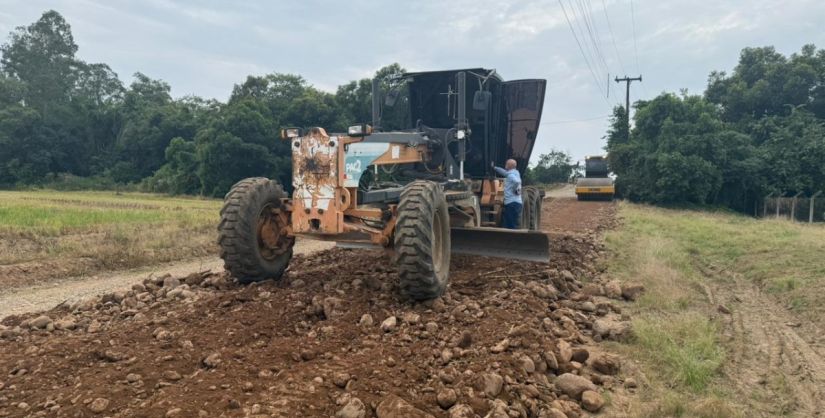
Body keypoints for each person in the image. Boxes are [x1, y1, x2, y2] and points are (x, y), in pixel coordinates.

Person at [494, 159, 522, 229]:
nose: (505, 165)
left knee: (510, 225)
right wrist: (495, 168)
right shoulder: (515, 173)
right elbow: (504, 172)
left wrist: (515, 189)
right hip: (517, 203)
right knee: (512, 224)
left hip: (511, 203)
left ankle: (512, 239)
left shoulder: (511, 175)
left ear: (509, 166)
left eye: (506, 164)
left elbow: (516, 182)